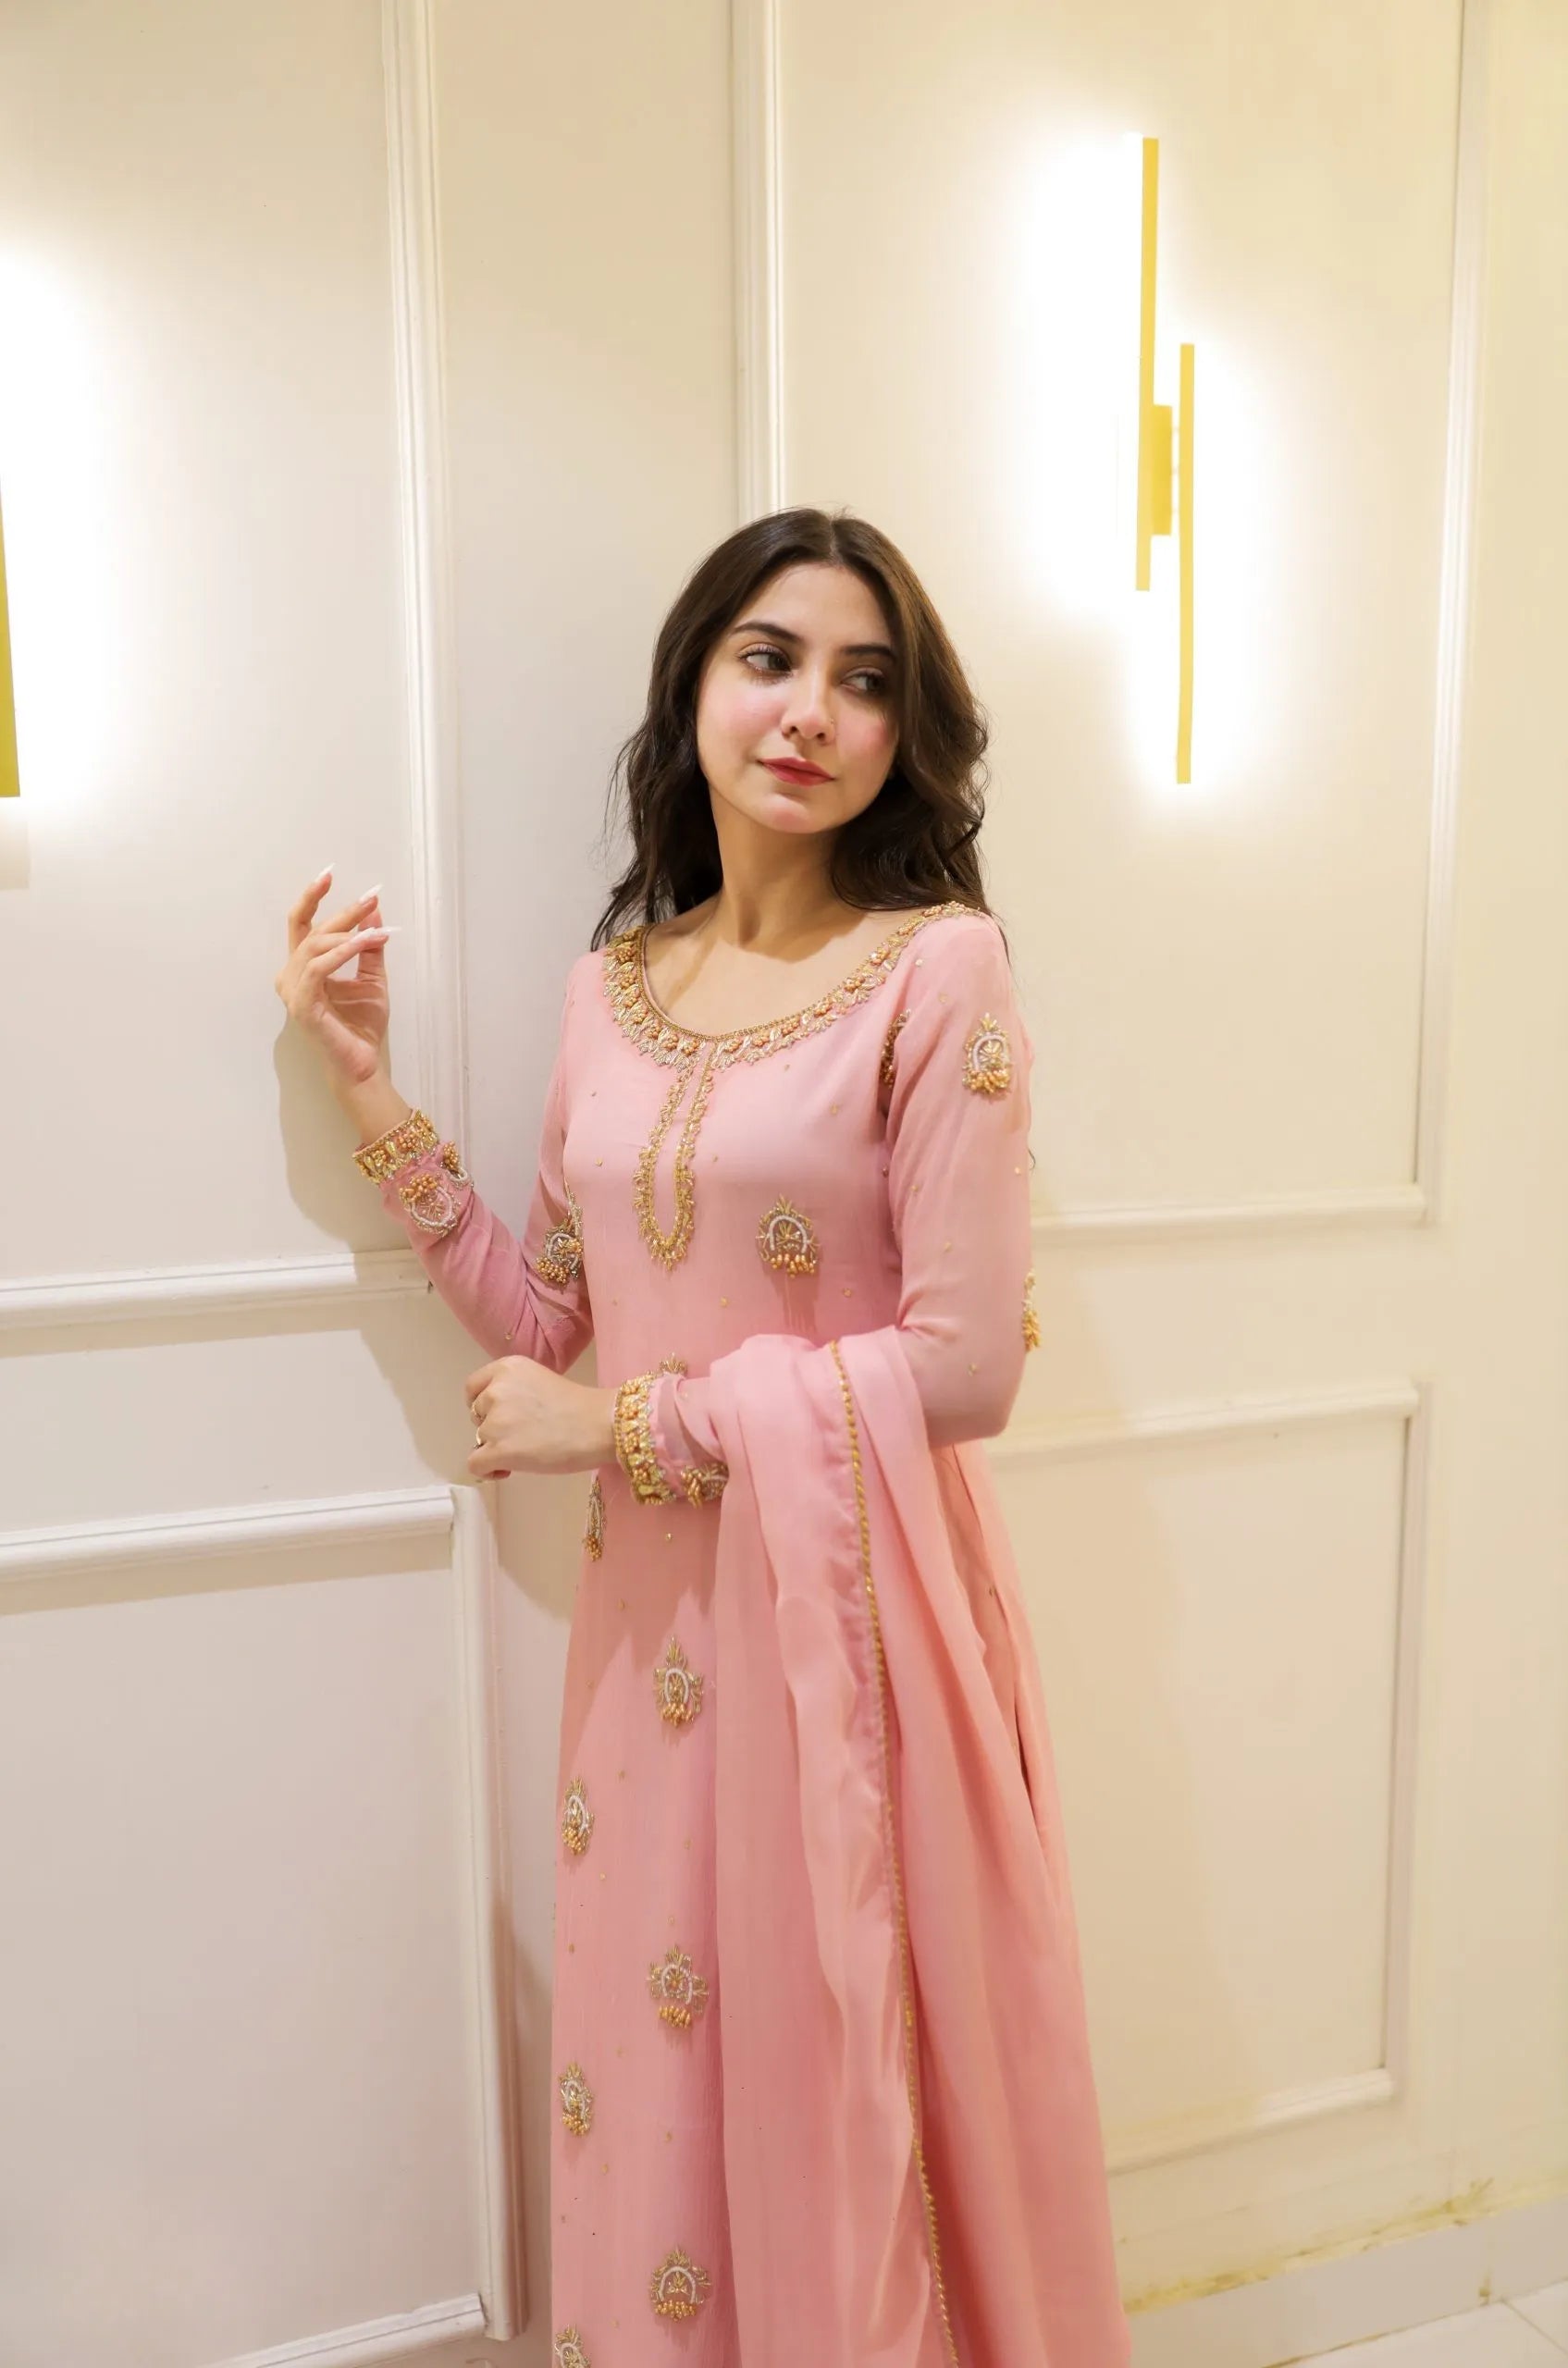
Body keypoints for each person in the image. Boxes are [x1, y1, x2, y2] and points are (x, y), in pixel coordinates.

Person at [275, 507, 1130, 2368]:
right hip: (647, 1644)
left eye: (864, 680)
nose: (811, 708)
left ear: (904, 733)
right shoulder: (613, 990)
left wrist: (621, 1425)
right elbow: (545, 1320)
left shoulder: (936, 971)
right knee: (661, 2092)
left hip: (856, 1637)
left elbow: (965, 1368)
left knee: (846, 2080)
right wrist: (366, 1086)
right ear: (692, 689)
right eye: (769, 657)